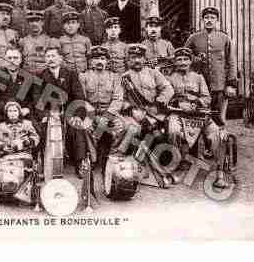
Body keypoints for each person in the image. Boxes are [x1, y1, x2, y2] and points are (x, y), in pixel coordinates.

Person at [166, 47, 229, 189]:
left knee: (216, 134)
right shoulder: (169, 79)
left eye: (185, 59)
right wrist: (179, 103)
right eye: (179, 60)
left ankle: (220, 173)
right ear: (175, 62)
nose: (182, 62)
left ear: (190, 61)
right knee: (174, 131)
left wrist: (196, 102)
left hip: (200, 115)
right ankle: (178, 166)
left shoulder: (199, 78)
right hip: (178, 114)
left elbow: (207, 98)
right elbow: (167, 99)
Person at [121, 44, 175, 185]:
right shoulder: (124, 78)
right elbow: (119, 99)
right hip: (133, 114)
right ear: (128, 60)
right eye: (133, 57)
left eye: (139, 57)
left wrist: (158, 104)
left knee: (160, 135)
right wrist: (131, 110)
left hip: (154, 112)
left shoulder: (153, 73)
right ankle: (140, 165)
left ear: (144, 58)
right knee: (136, 131)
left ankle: (163, 165)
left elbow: (168, 89)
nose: (137, 60)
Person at [32, 46, 87, 175]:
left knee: (77, 128)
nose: (50, 59)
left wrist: (78, 115)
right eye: (48, 56)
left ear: (61, 58)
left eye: (53, 56)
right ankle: (42, 162)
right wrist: (45, 114)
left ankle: (79, 163)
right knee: (41, 127)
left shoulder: (71, 74)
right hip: (48, 112)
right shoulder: (39, 75)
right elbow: (36, 99)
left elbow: (79, 97)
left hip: (68, 111)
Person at [184, 6, 237, 126]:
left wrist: (231, 84)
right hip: (199, 85)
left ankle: (218, 140)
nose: (209, 20)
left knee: (218, 116)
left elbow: (231, 61)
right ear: (202, 20)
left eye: (212, 18)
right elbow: (183, 57)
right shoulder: (193, 38)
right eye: (206, 17)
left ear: (217, 21)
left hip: (219, 85)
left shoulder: (224, 38)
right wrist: (195, 60)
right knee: (198, 114)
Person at [0, 48, 34, 172]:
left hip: (21, 112)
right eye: (10, 58)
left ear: (21, 60)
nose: (12, 61)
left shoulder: (27, 77)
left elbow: (32, 98)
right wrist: (7, 109)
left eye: (15, 58)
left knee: (36, 127)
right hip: (1, 111)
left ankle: (31, 162)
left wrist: (26, 109)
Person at [78, 46, 125, 169]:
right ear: (90, 61)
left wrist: (107, 117)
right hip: (90, 112)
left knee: (122, 127)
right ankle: (92, 159)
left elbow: (118, 99)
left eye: (103, 58)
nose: (99, 61)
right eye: (96, 59)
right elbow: (82, 99)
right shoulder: (83, 77)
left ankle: (112, 158)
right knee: (85, 127)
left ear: (107, 61)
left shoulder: (115, 77)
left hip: (109, 112)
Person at [19, 10, 59, 75]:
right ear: (27, 23)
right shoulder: (22, 41)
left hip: (45, 75)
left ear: (42, 22)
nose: (34, 24)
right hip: (27, 75)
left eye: (37, 21)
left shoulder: (50, 41)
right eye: (31, 21)